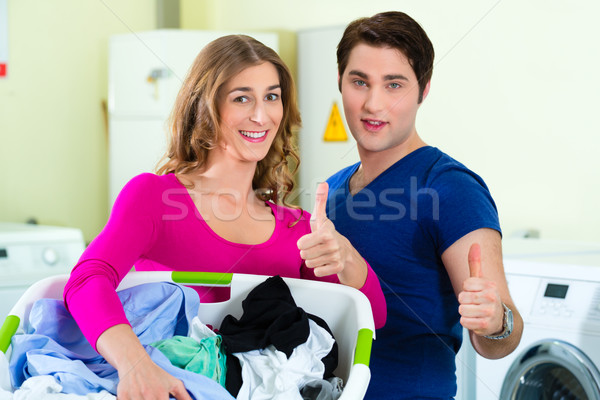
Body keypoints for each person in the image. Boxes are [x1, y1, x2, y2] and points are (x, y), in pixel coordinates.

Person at [63, 35, 386, 400]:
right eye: (241, 97)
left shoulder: (296, 227)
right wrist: (135, 365)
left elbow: (369, 319)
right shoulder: (154, 198)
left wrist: (346, 256)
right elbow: (86, 281)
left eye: (272, 96)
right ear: (206, 106)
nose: (261, 115)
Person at [318, 11, 524, 399]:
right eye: (359, 82)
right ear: (341, 84)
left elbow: (500, 341)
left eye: (393, 85)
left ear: (423, 89)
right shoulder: (330, 191)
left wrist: (494, 320)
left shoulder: (450, 189)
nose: (373, 103)